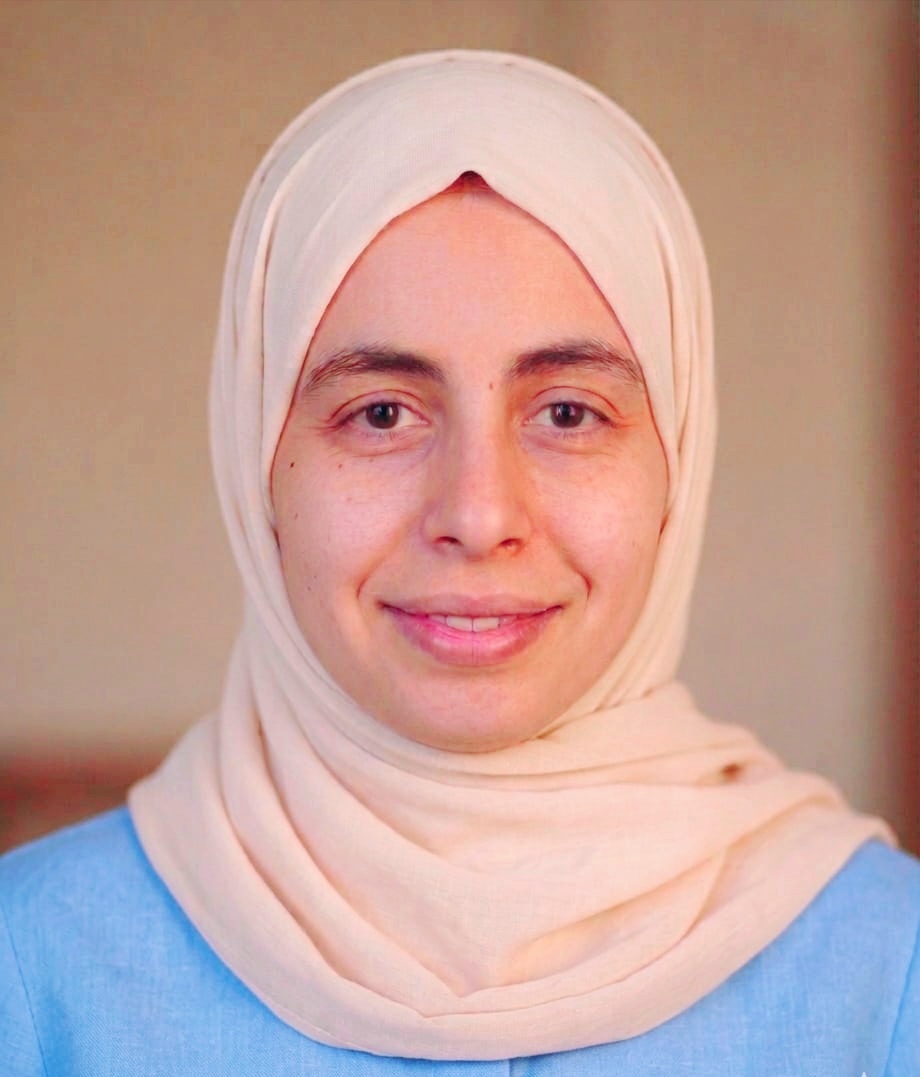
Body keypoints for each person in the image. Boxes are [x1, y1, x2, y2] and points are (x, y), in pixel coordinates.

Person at [1, 50, 916, 1075]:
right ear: (256, 462)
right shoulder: (36, 971)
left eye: (566, 413)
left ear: (677, 459)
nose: (478, 516)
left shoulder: (885, 975)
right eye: (380, 413)